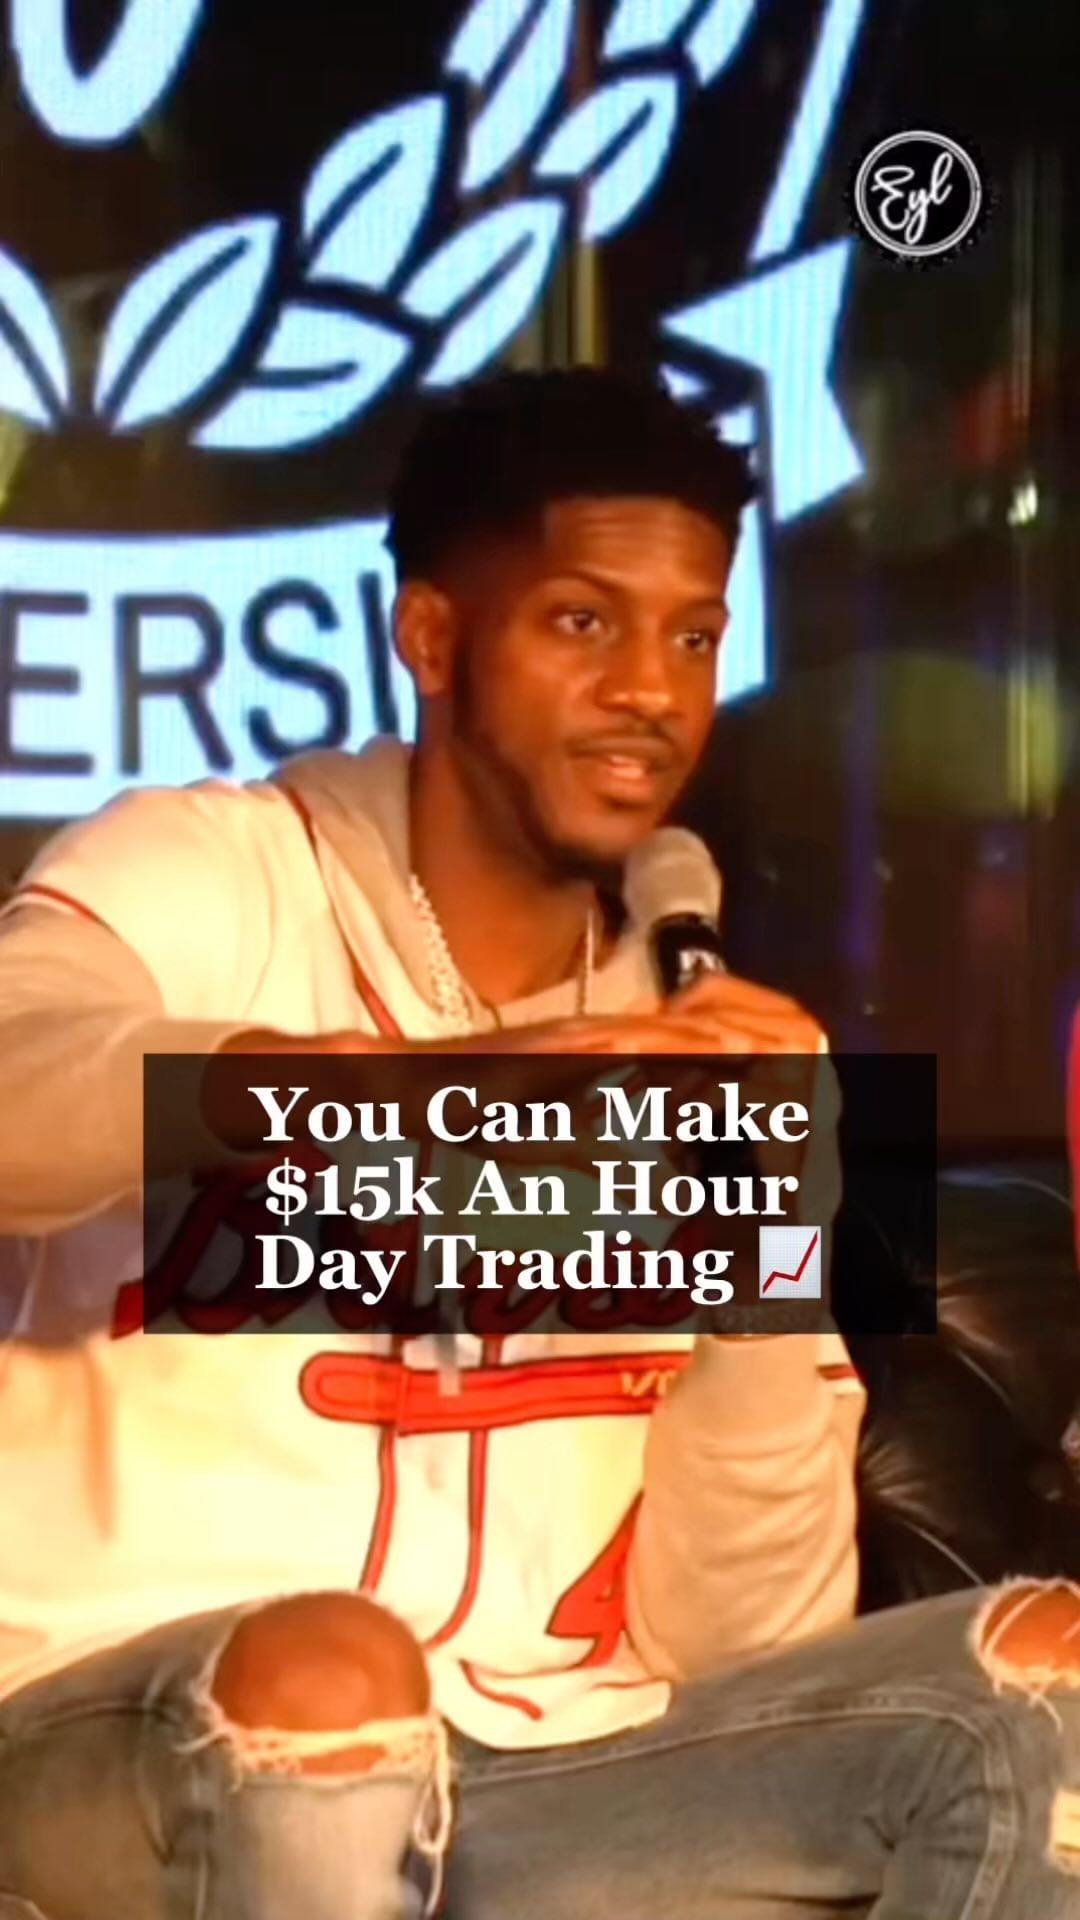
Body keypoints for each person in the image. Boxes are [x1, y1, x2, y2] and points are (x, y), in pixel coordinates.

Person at [0, 367, 1078, 1920]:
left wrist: (766, 1263)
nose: (651, 690)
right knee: (333, 1678)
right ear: (432, 636)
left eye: (693, 637)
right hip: (130, 1734)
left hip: (549, 1776)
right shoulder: (210, 870)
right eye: (583, 622)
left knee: (1042, 1680)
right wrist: (437, 1088)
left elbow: (744, 1647)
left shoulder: (695, 1038)